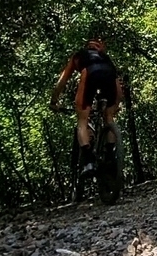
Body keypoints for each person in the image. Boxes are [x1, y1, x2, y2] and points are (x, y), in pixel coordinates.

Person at [50, 38, 123, 173]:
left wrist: (53, 101)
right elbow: (117, 85)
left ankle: (88, 161)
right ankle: (110, 156)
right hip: (109, 77)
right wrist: (115, 105)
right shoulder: (105, 58)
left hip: (89, 75)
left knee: (82, 120)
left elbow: (62, 81)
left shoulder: (79, 56)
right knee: (109, 117)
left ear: (86, 47)